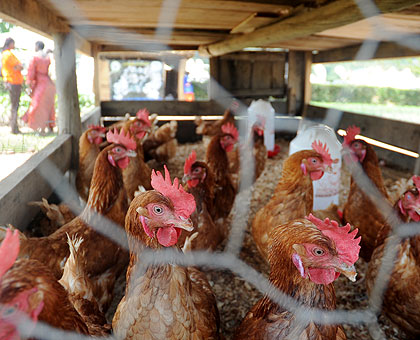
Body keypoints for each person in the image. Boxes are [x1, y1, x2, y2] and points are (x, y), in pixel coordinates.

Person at [22, 41, 56, 134]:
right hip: (49, 83)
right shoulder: (48, 57)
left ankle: (40, 127)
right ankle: (50, 127)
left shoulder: (35, 57)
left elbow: (31, 72)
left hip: (40, 83)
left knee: (38, 105)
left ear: (37, 46)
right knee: (49, 105)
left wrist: (29, 85)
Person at [1, 38, 23, 134]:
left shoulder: (5, 54)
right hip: (13, 81)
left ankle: (14, 127)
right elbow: (18, 66)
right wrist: (19, 67)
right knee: (15, 105)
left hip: (11, 81)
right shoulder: (8, 54)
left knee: (14, 105)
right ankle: (14, 128)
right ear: (10, 44)